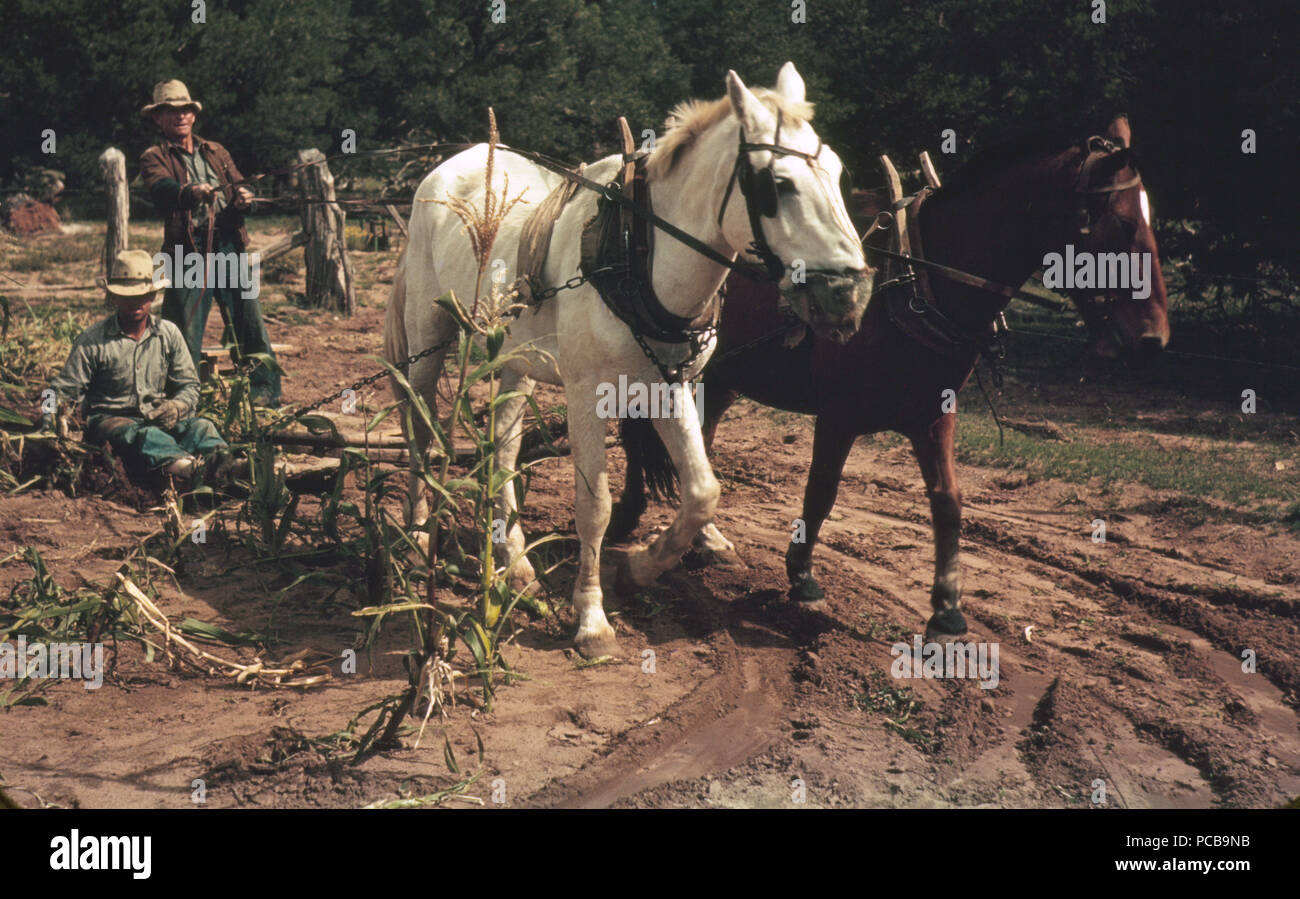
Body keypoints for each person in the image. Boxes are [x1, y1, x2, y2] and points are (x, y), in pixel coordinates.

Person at [138, 79, 282, 407]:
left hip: (228, 244)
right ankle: (184, 399)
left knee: (250, 321)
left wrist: (245, 200)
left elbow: (237, 189)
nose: (180, 116)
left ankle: (265, 395)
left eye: (185, 110)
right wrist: (190, 192)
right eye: (170, 111)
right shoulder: (153, 156)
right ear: (157, 118)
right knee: (184, 330)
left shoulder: (216, 151)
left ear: (194, 114)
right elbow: (161, 191)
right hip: (187, 252)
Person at [47, 249, 230, 481]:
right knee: (144, 436)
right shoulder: (93, 341)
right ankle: (192, 470)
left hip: (156, 420)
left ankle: (231, 464)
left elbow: (190, 385)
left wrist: (176, 407)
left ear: (152, 296)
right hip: (111, 425)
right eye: (126, 296)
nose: (134, 302)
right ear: (113, 297)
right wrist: (48, 420)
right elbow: (55, 391)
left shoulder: (168, 334)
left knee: (202, 427)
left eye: (141, 295)